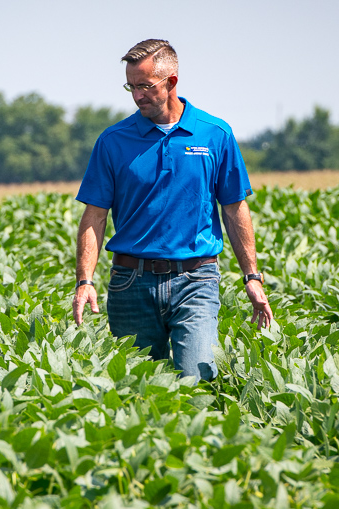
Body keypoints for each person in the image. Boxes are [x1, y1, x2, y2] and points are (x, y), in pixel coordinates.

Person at [72, 38, 272, 381]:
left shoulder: (215, 134)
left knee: (197, 378)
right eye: (131, 87)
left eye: (146, 86)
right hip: (130, 283)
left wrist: (252, 276)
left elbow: (234, 209)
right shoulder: (113, 140)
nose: (137, 96)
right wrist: (84, 280)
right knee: (136, 390)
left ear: (172, 82)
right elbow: (95, 216)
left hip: (196, 279)